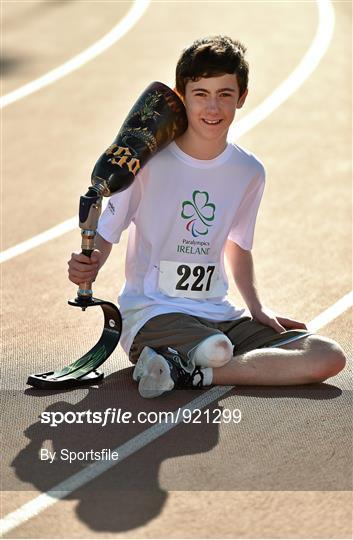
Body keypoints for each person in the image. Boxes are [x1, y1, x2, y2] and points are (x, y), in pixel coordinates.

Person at [68, 36, 346, 398]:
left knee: (326, 356)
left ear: (242, 97)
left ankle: (191, 371)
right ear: (181, 98)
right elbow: (107, 234)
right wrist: (89, 265)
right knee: (215, 347)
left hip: (219, 313)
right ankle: (190, 356)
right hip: (155, 313)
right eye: (200, 93)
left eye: (225, 94)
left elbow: (238, 246)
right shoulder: (147, 164)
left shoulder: (248, 171)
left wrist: (257, 308)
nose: (212, 107)